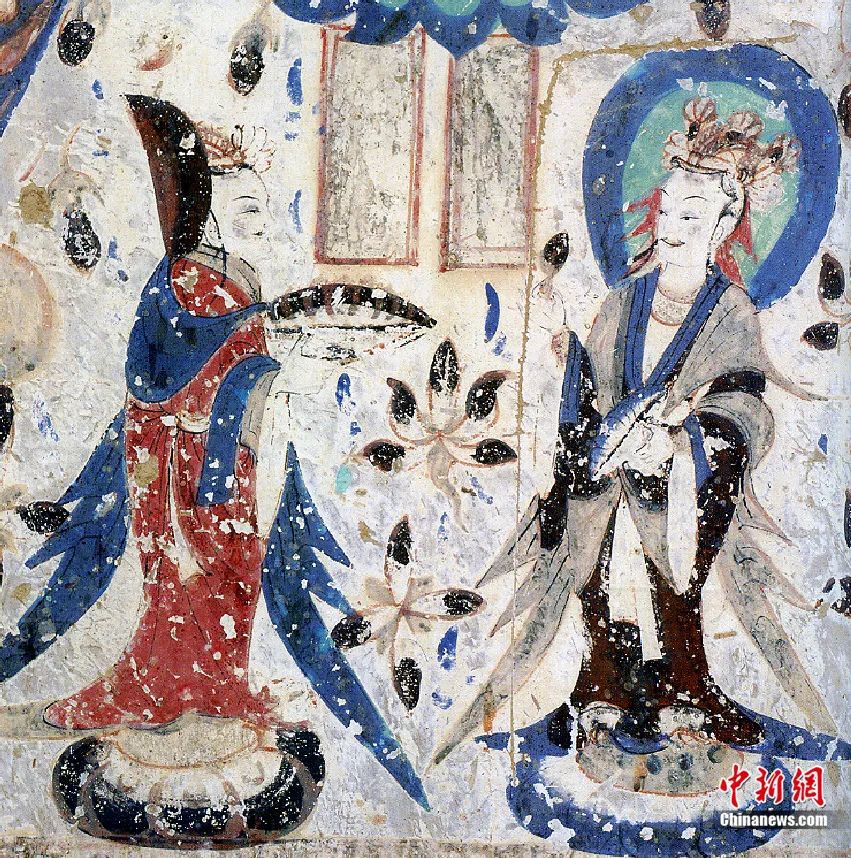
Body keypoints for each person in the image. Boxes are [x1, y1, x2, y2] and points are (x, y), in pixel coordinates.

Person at [434, 98, 835, 765]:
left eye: (691, 215)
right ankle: (605, 690)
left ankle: (685, 690)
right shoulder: (623, 300)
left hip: (681, 487)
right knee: (592, 541)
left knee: (669, 565)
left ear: (724, 223)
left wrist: (683, 439)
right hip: (606, 479)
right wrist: (575, 376)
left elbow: (745, 406)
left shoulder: (730, 310)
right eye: (665, 209)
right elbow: (591, 393)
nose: (671, 226)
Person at [42, 122, 282, 729]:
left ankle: (221, 685)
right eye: (248, 209)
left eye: (264, 208)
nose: (262, 222)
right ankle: (155, 687)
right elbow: (156, 372)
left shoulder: (240, 278)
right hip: (182, 454)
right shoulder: (187, 282)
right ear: (211, 214)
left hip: (231, 447)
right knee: (187, 566)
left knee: (238, 563)